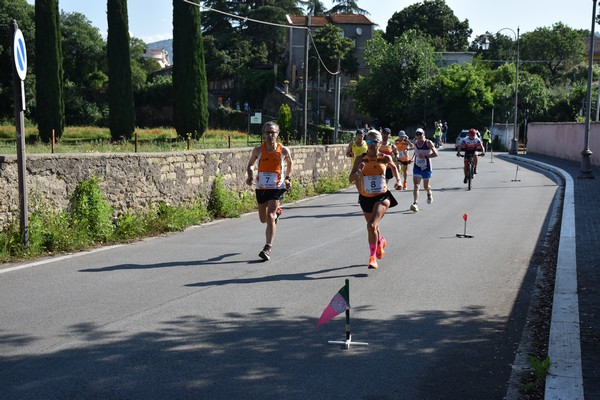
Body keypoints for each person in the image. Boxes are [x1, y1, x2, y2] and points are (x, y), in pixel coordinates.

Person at [349, 129, 401, 269]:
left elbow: (394, 167)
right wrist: (358, 171)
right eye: (369, 141)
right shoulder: (360, 158)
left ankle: (372, 257)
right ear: (367, 142)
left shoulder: (385, 158)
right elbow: (350, 179)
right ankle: (380, 241)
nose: (372, 145)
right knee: (373, 227)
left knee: (371, 225)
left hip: (382, 196)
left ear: (379, 143)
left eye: (375, 142)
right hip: (365, 197)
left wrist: (399, 181)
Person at [246, 121, 293, 261]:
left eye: (273, 132)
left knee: (270, 215)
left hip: (276, 187)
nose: (270, 135)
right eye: (268, 132)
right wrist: (250, 176)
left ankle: (267, 248)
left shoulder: (283, 150)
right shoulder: (258, 150)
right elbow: (250, 165)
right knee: (263, 219)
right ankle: (277, 213)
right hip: (261, 187)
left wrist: (288, 178)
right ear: (263, 134)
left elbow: (290, 163)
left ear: (278, 133)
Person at [410, 128, 438, 212]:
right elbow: (415, 151)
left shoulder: (428, 143)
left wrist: (425, 157)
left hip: (426, 167)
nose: (419, 136)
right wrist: (412, 158)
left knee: (426, 186)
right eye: (417, 134)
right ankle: (415, 203)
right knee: (416, 185)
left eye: (420, 134)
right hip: (417, 166)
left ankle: (429, 193)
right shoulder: (415, 142)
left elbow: (436, 154)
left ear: (424, 134)